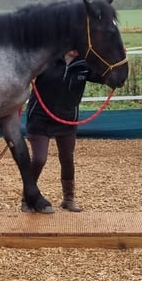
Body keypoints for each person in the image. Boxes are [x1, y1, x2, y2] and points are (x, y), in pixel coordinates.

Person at [24, 50, 93, 213]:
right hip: (40, 116)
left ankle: (68, 199)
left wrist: (117, 56)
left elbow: (108, 76)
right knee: (39, 159)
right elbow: (24, 70)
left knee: (67, 157)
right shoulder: (47, 58)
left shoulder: (84, 65)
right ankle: (28, 196)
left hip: (67, 117)